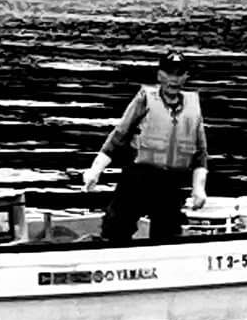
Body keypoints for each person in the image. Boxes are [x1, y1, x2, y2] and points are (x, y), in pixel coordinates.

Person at [84, 51, 209, 243]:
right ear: (159, 75)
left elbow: (200, 154)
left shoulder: (193, 107)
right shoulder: (145, 99)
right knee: (116, 229)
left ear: (186, 77)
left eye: (179, 74)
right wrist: (95, 170)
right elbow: (118, 137)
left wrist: (198, 189)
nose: (173, 79)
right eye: (169, 73)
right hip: (139, 177)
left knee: (167, 235)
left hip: (170, 182)